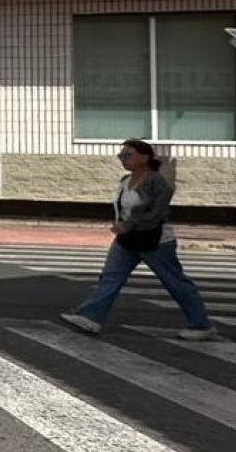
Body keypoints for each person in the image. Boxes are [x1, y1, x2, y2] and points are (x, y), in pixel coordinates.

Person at [60, 139, 214, 340]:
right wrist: (121, 224)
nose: (123, 159)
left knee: (174, 281)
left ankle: (201, 325)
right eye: (121, 156)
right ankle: (90, 316)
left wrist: (129, 224)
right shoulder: (125, 180)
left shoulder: (156, 182)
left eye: (128, 155)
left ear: (145, 157)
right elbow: (123, 208)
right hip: (127, 240)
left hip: (155, 241)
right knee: (111, 277)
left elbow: (157, 213)